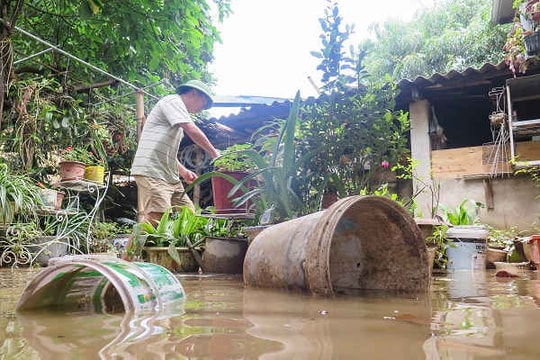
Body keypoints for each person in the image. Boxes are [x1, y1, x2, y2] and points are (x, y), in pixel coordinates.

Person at [122, 79, 220, 260]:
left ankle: (184, 260)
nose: (201, 108)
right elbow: (192, 129)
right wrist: (215, 154)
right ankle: (125, 260)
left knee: (190, 215)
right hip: (152, 170)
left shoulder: (176, 112)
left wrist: (183, 171)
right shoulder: (172, 102)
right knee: (157, 216)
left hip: (169, 176)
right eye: (203, 103)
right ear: (193, 93)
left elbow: (168, 152)